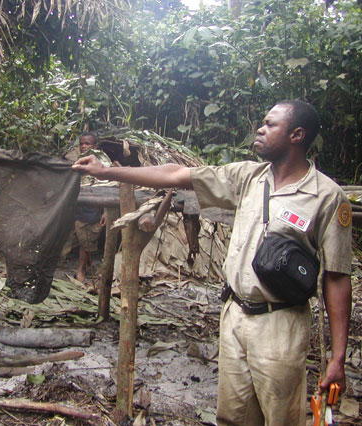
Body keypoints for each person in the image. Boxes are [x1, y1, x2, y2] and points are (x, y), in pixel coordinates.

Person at [73, 100, 352, 425]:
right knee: (231, 417)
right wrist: (105, 171)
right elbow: (175, 174)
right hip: (234, 316)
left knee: (281, 418)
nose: (259, 129)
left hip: (281, 326)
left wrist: (338, 357)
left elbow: (337, 277)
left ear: (296, 134)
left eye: (269, 124)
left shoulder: (327, 197)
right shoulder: (248, 177)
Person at [72, 133, 108, 282]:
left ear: (95, 147)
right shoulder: (76, 164)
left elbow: (108, 187)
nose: (83, 146)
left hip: (93, 209)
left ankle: (80, 270)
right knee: (84, 240)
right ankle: (87, 266)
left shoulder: (102, 165)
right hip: (78, 208)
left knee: (87, 240)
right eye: (81, 144)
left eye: (87, 144)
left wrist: (106, 211)